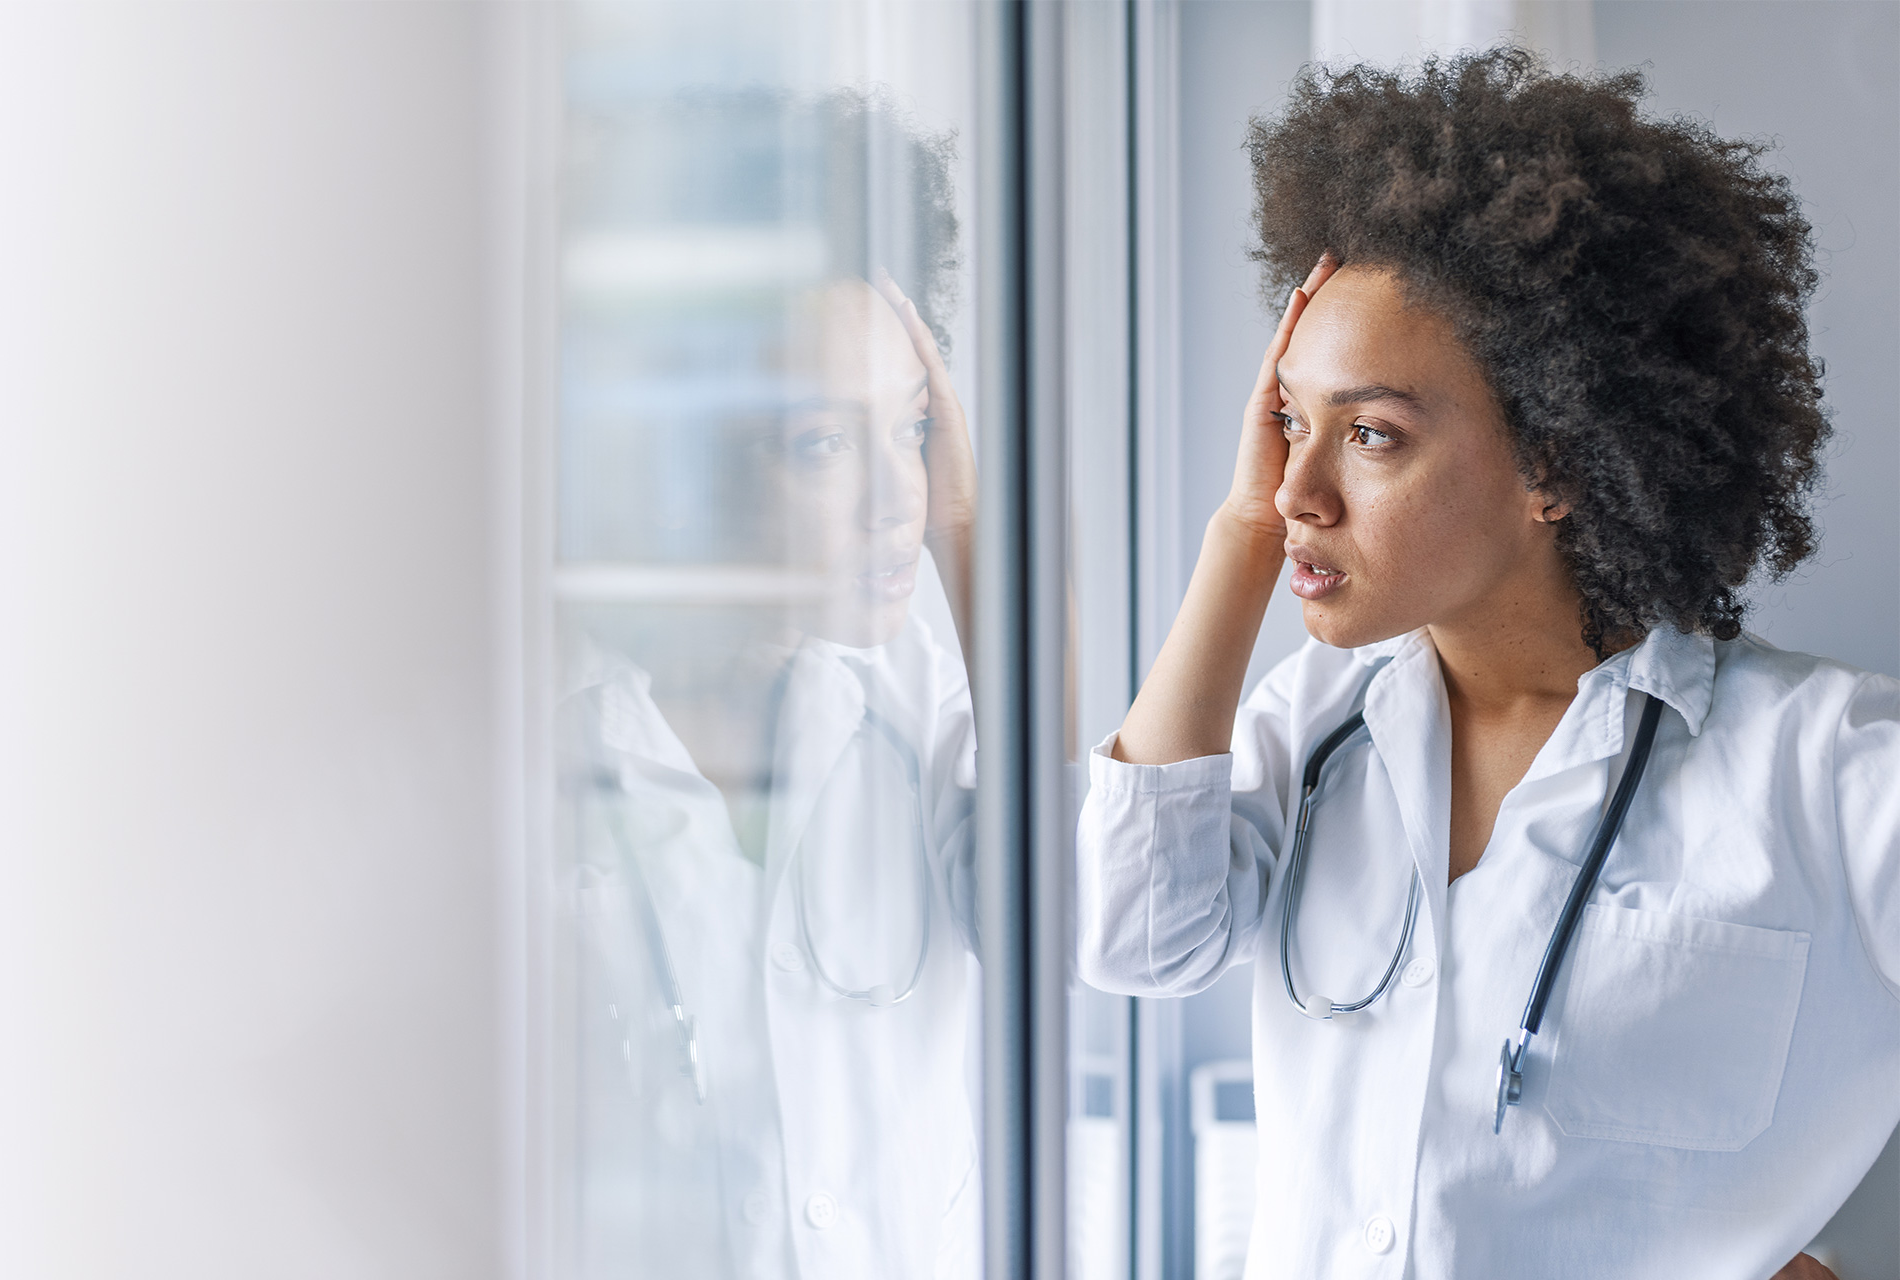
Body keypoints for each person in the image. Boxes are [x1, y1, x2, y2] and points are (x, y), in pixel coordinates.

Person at [1075, 50, 1896, 1280]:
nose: (1298, 489)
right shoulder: (1318, 720)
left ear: (1553, 468)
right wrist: (1240, 541)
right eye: (1290, 421)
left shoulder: (1827, 768)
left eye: (1370, 435)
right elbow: (1139, 942)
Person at [559, 93, 982, 1279]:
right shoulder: (542, 726)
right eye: (822, 444)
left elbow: (1092, 915)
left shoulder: (922, 693)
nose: (898, 499)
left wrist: (977, 540)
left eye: (910, 429)